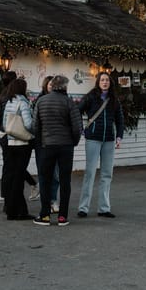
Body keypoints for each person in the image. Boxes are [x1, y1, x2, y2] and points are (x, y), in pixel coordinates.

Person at [32, 75, 81, 226]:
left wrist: (41, 142)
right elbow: (77, 127)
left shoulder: (41, 101)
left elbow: (35, 126)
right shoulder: (69, 102)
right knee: (65, 180)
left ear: (52, 86)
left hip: (47, 146)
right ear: (65, 86)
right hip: (66, 146)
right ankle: (62, 217)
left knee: (45, 179)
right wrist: (74, 142)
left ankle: (45, 215)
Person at [78, 72, 124, 219]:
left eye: (107, 80)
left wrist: (119, 136)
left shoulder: (114, 99)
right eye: (102, 80)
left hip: (109, 140)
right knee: (90, 173)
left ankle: (104, 208)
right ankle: (83, 208)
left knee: (107, 174)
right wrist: (81, 129)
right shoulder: (91, 96)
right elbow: (77, 111)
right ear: (98, 82)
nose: (105, 82)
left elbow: (120, 119)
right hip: (93, 139)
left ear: (110, 83)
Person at [1, 78, 36, 221]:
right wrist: (34, 132)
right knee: (18, 178)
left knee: (12, 177)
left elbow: (4, 124)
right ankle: (19, 211)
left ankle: (11, 208)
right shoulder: (23, 102)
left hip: (10, 142)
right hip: (22, 144)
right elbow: (28, 124)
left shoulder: (9, 101)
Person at [33, 76, 60, 213]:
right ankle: (45, 203)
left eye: (54, 85)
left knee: (55, 174)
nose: (52, 87)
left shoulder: (61, 100)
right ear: (45, 86)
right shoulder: (39, 101)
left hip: (56, 142)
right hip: (42, 143)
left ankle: (53, 200)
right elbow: (35, 123)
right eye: (50, 85)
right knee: (43, 173)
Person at [0, 70, 18, 206]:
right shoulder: (11, 97)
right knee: (12, 164)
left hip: (2, 133)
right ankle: (8, 193)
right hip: (11, 133)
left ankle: (5, 193)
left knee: (8, 164)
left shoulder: (2, 95)